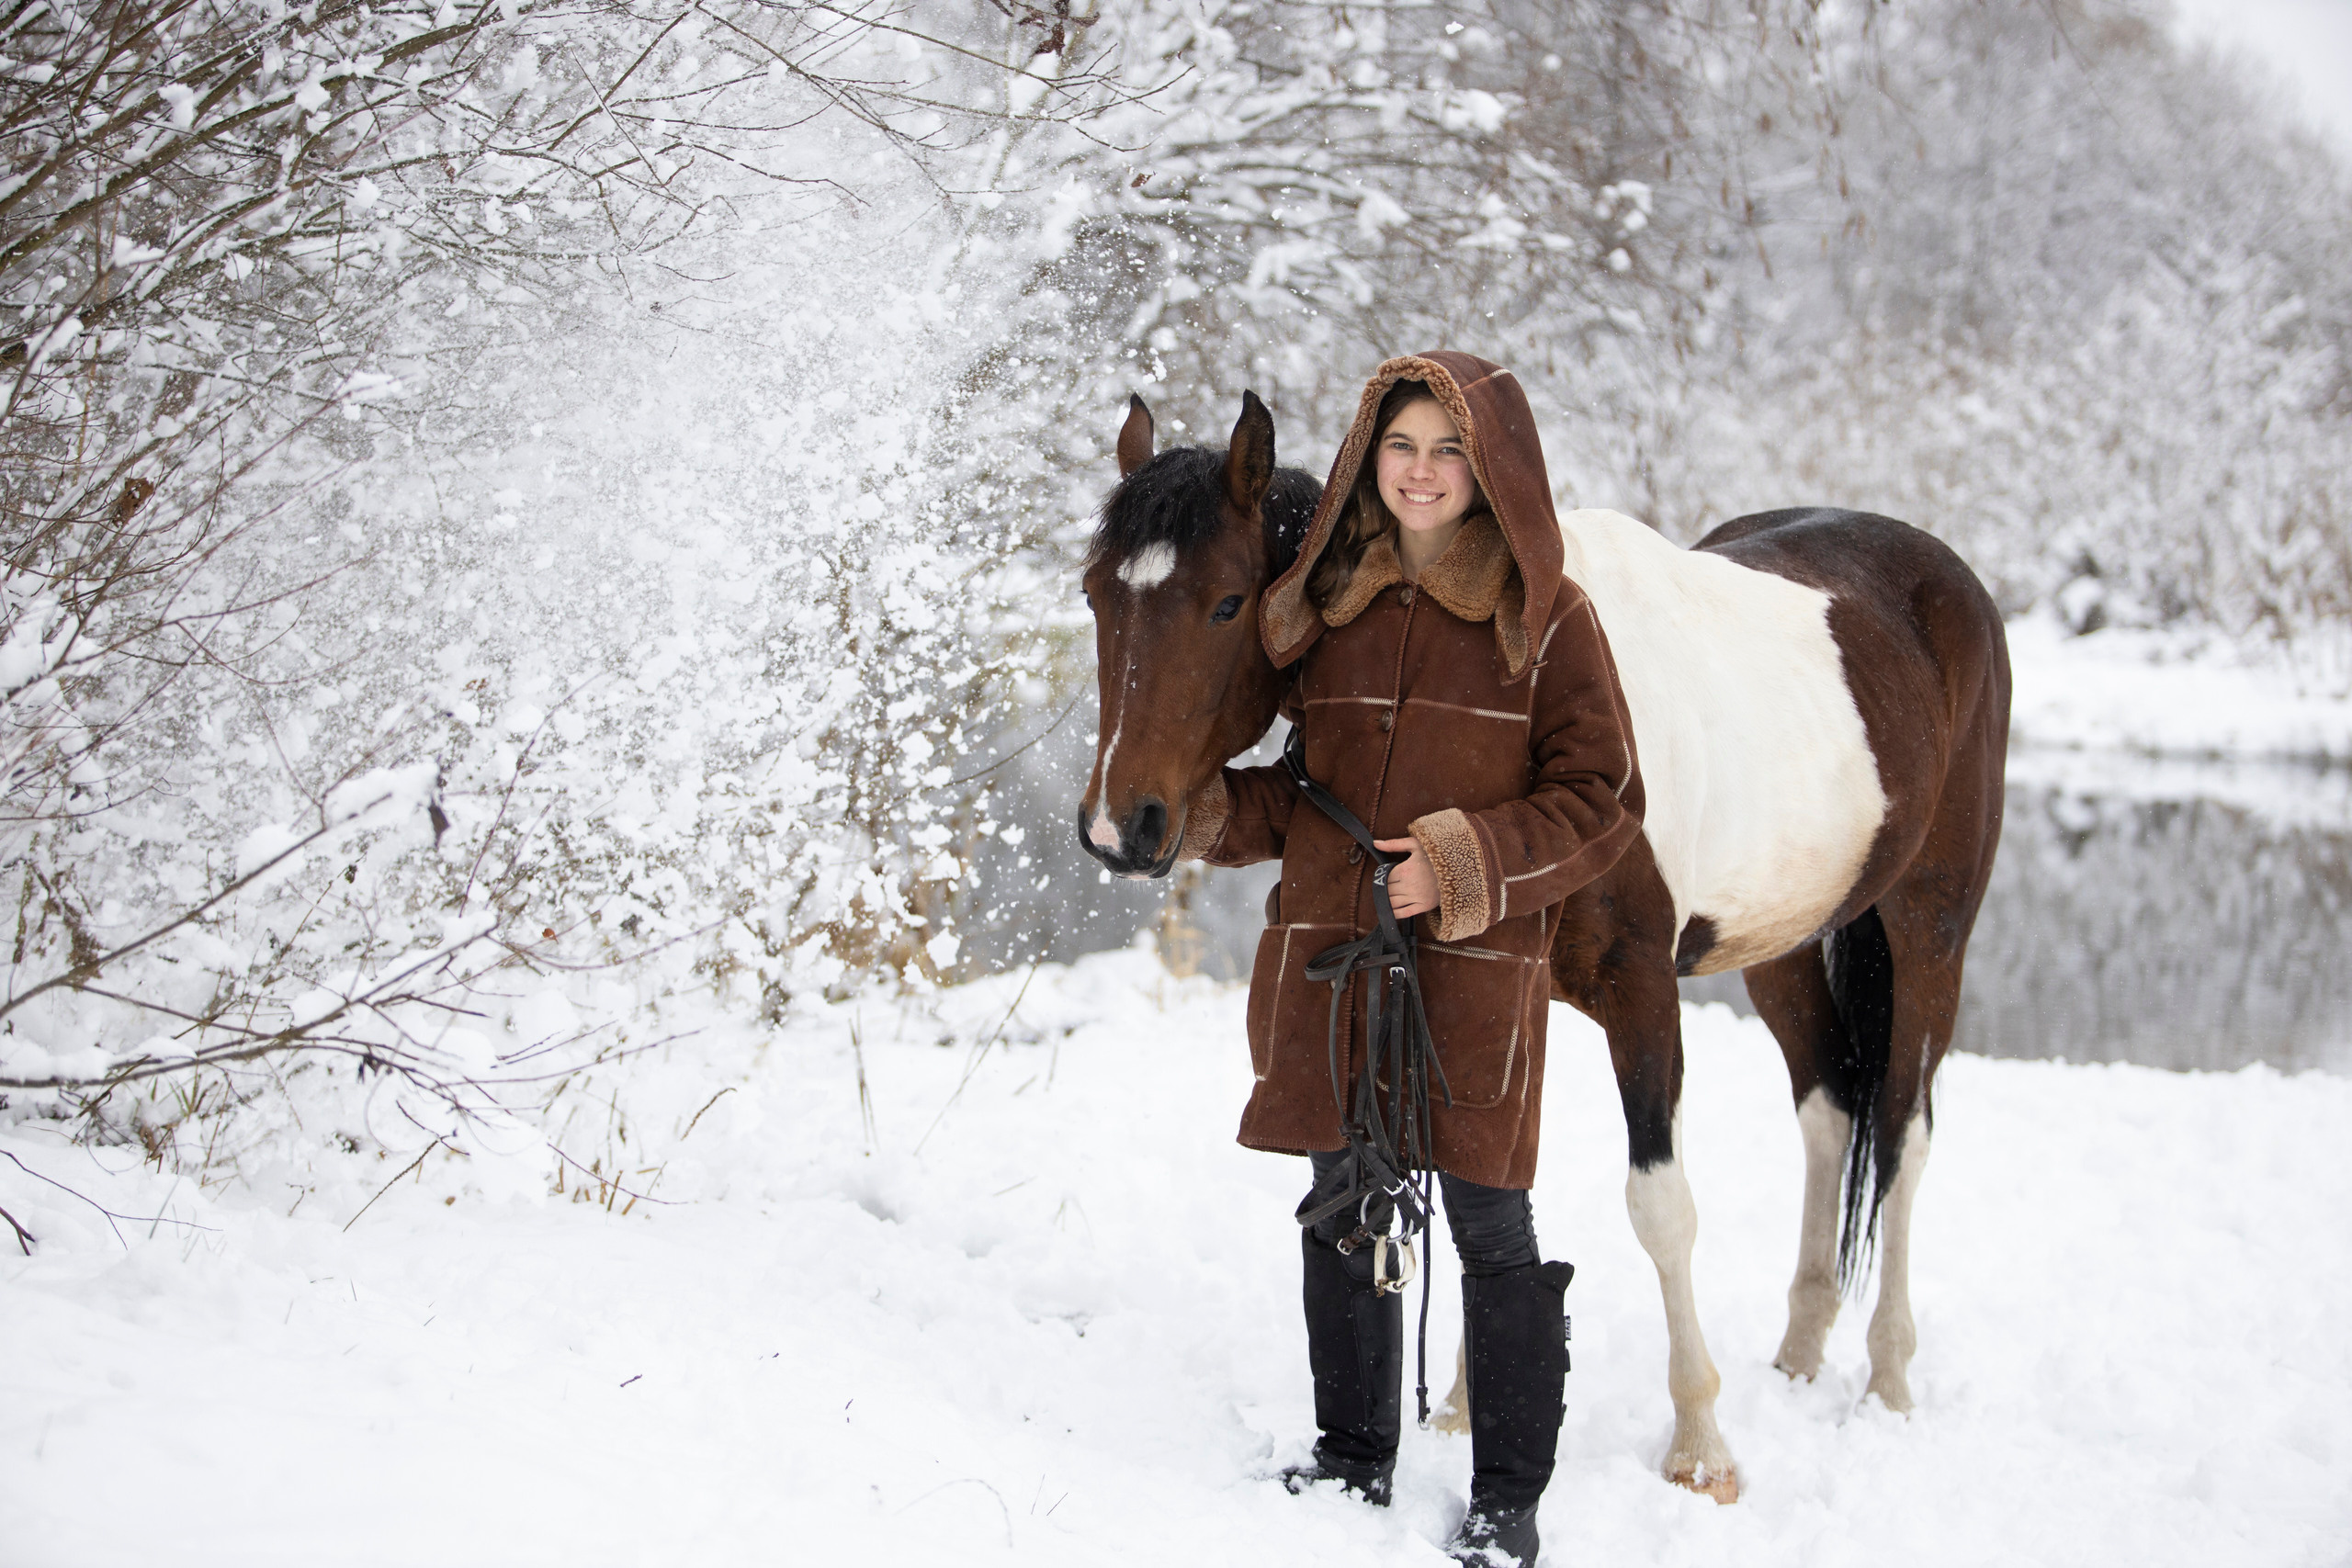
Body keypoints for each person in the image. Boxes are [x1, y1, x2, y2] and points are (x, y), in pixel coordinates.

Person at [1172, 353, 1645, 1566]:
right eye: (1401, 447)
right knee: (1344, 1207)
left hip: (1473, 975)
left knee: (1491, 1225)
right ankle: (1350, 1460)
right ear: (1366, 462)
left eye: (1448, 449)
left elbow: (1603, 803)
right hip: (1336, 956)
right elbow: (1304, 796)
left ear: (1491, 469)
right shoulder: (1330, 611)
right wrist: (1213, 814)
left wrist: (1465, 862)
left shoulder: (1551, 618)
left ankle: (1509, 1501)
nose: (1422, 471)